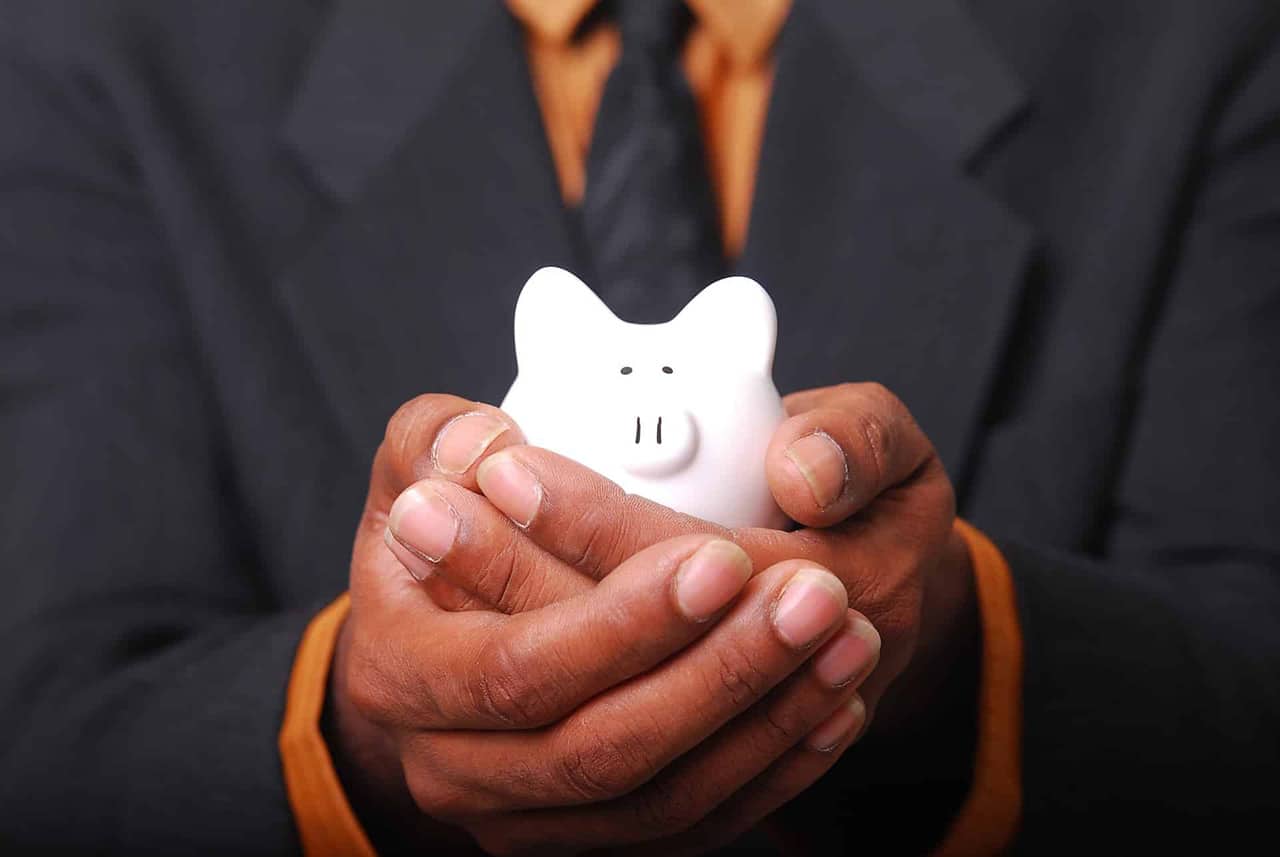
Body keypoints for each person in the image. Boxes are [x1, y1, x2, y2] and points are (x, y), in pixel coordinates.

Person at [1, 0, 1277, 854]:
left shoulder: (1188, 42)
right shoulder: (103, 48)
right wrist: (361, 725)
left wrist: (956, 632)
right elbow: (50, 740)